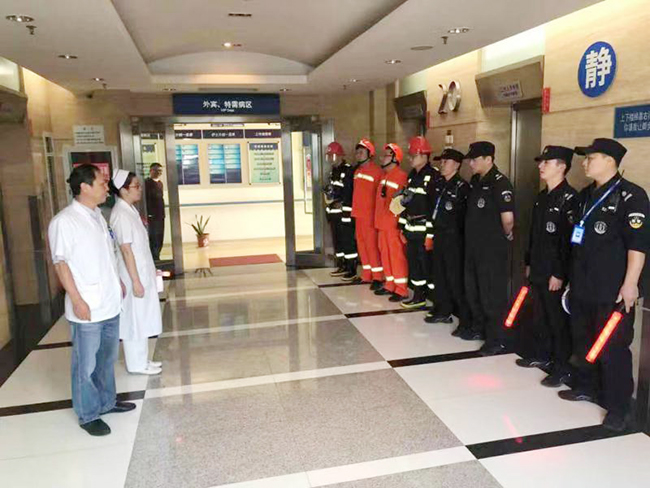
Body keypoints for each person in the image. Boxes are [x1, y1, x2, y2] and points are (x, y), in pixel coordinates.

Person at [559, 138, 649, 432]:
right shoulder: (586, 195)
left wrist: (630, 284)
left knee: (613, 347)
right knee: (583, 339)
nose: (585, 164)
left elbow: (638, 245)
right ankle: (586, 386)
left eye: (591, 158)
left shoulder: (631, 196)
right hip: (583, 283)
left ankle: (619, 407)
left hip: (612, 289)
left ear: (610, 161)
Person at [48, 164, 135, 437]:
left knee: (106, 360)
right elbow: (61, 264)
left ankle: (107, 402)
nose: (107, 188)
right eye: (101, 183)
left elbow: (106, 255)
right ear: (84, 187)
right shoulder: (64, 222)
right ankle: (88, 414)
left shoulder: (98, 215)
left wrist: (118, 281)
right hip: (86, 306)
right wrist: (76, 300)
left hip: (109, 301)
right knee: (84, 366)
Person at [517, 146, 578, 388]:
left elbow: (568, 242)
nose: (540, 166)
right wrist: (529, 262)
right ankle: (542, 355)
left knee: (557, 320)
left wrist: (559, 273)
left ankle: (562, 367)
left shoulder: (570, 199)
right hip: (539, 268)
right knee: (540, 315)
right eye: (540, 162)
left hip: (555, 273)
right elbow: (535, 235)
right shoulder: (542, 197)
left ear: (562, 166)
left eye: (547, 162)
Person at [110, 170, 163, 375]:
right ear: (123, 190)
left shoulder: (129, 210)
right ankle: (136, 364)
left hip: (141, 271)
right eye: (136, 186)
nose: (140, 189)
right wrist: (135, 281)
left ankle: (143, 360)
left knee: (142, 316)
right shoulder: (120, 214)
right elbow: (126, 249)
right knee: (134, 319)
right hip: (133, 275)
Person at [464, 141, 515, 356]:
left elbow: (508, 220)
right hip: (474, 247)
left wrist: (503, 236)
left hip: (491, 250)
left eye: (475, 159)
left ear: (488, 159)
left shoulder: (500, 183)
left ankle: (496, 339)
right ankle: (479, 328)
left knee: (492, 294)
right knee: (474, 290)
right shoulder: (476, 181)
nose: (471, 163)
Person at [425, 149, 471, 335]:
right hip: (439, 235)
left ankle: (465, 320)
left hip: (454, 239)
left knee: (455, 279)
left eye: (446, 162)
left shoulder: (462, 187)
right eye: (441, 161)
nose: (442, 165)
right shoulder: (438, 184)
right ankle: (443, 311)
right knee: (440, 275)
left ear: (457, 165)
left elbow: (465, 218)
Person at [398, 136, 440, 308]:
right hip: (411, 228)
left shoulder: (433, 176)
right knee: (414, 264)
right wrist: (402, 226)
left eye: (413, 155)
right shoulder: (412, 176)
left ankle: (435, 300)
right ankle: (418, 296)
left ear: (424, 156)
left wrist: (430, 235)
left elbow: (433, 208)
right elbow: (406, 202)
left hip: (423, 230)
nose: (410, 159)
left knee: (426, 265)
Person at [373, 143, 409, 300]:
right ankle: (390, 284)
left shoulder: (401, 176)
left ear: (395, 158)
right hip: (382, 223)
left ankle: (401, 289)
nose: (382, 158)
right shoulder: (384, 177)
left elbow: (402, 203)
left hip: (393, 225)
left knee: (396, 256)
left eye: (386, 155)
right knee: (385, 255)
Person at [351, 138, 384, 288]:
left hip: (370, 216)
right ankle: (367, 275)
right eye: (357, 152)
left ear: (370, 154)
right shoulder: (357, 172)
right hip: (358, 215)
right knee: (362, 246)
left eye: (361, 152)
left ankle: (378, 277)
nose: (358, 155)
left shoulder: (377, 172)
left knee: (372, 247)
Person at [324, 142, 358, 278]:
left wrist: (342, 203)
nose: (331, 159)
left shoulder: (348, 171)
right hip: (334, 212)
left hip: (344, 213)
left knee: (347, 241)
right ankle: (341, 265)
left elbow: (349, 192)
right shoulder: (333, 171)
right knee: (337, 241)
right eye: (329, 156)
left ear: (340, 156)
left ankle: (351, 268)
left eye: (333, 156)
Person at [145, 163, 165, 261]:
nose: (159, 172)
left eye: (160, 171)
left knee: (160, 237)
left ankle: (157, 256)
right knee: (154, 238)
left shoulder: (160, 183)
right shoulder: (147, 183)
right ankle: (154, 258)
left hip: (160, 215)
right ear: (151, 171)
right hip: (152, 216)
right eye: (156, 170)